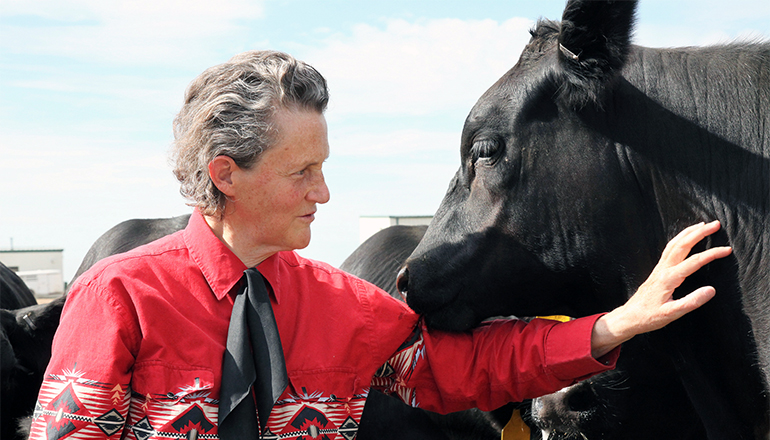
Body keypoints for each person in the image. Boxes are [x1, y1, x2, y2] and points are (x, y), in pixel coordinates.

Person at [27, 50, 731, 440]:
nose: (324, 192)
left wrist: (618, 323)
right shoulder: (116, 297)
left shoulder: (342, 307)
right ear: (226, 175)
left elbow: (465, 368)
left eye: (323, 167)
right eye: (302, 172)